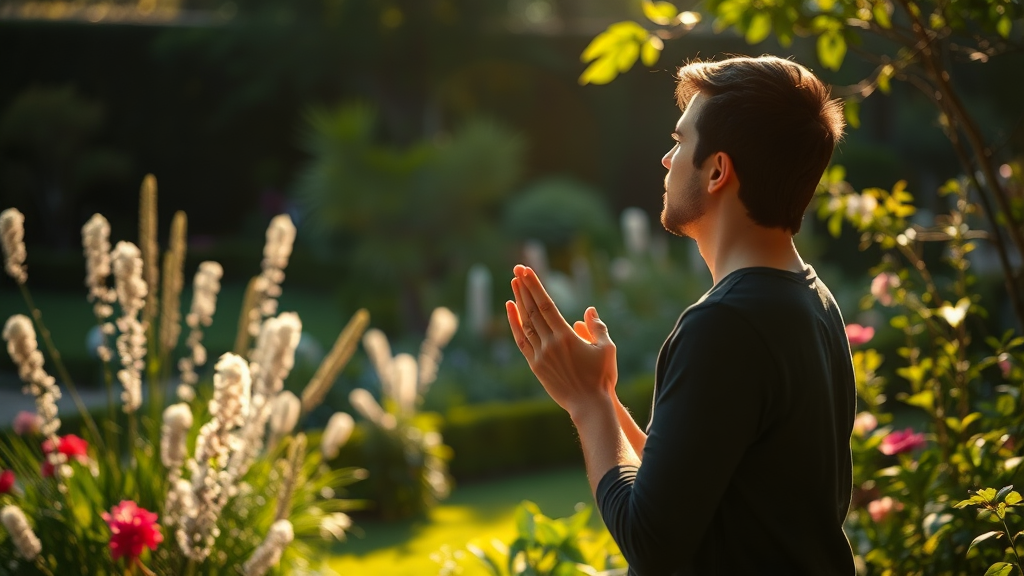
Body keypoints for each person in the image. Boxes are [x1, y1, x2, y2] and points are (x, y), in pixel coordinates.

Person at [505, 55, 856, 575]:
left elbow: (651, 539)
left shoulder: (725, 326)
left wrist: (588, 404)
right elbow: (693, 487)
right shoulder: (810, 300)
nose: (667, 160)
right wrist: (601, 396)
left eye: (679, 141)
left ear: (717, 171)